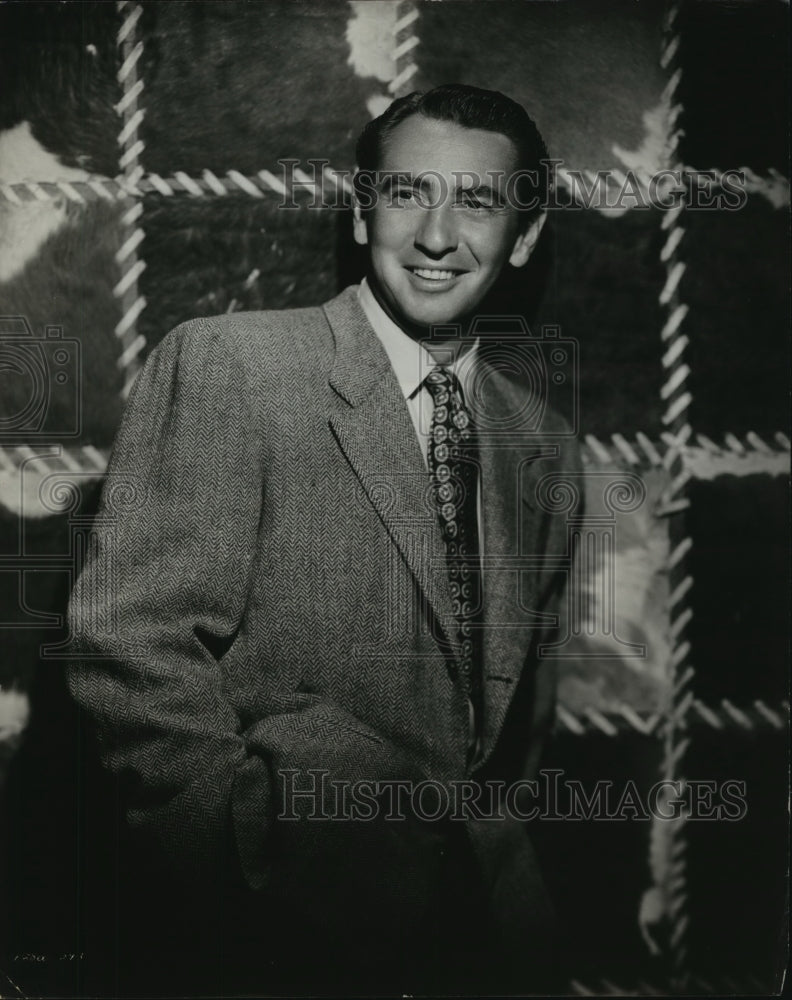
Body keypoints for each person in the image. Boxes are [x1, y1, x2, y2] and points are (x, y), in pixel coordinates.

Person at [67, 83, 582, 996]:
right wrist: (243, 873)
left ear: (527, 236)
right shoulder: (235, 366)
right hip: (265, 947)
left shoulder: (543, 445)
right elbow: (128, 650)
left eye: (477, 201)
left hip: (474, 944)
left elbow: (501, 722)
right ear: (360, 211)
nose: (436, 234)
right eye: (406, 193)